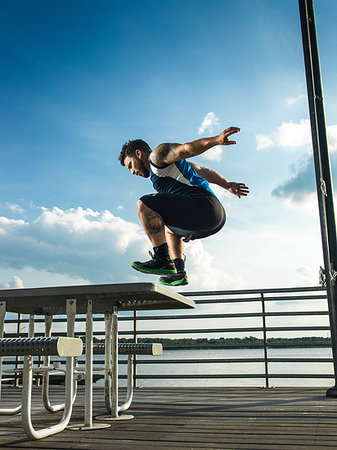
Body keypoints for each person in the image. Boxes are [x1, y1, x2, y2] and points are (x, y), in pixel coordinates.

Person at [118, 127, 249, 286]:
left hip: (203, 206)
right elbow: (202, 170)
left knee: (144, 204)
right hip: (215, 216)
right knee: (168, 229)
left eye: (130, 165)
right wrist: (227, 184)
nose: (132, 172)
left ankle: (161, 259)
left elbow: (186, 149)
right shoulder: (175, 168)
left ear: (138, 154)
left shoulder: (157, 156)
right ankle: (179, 272)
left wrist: (216, 140)